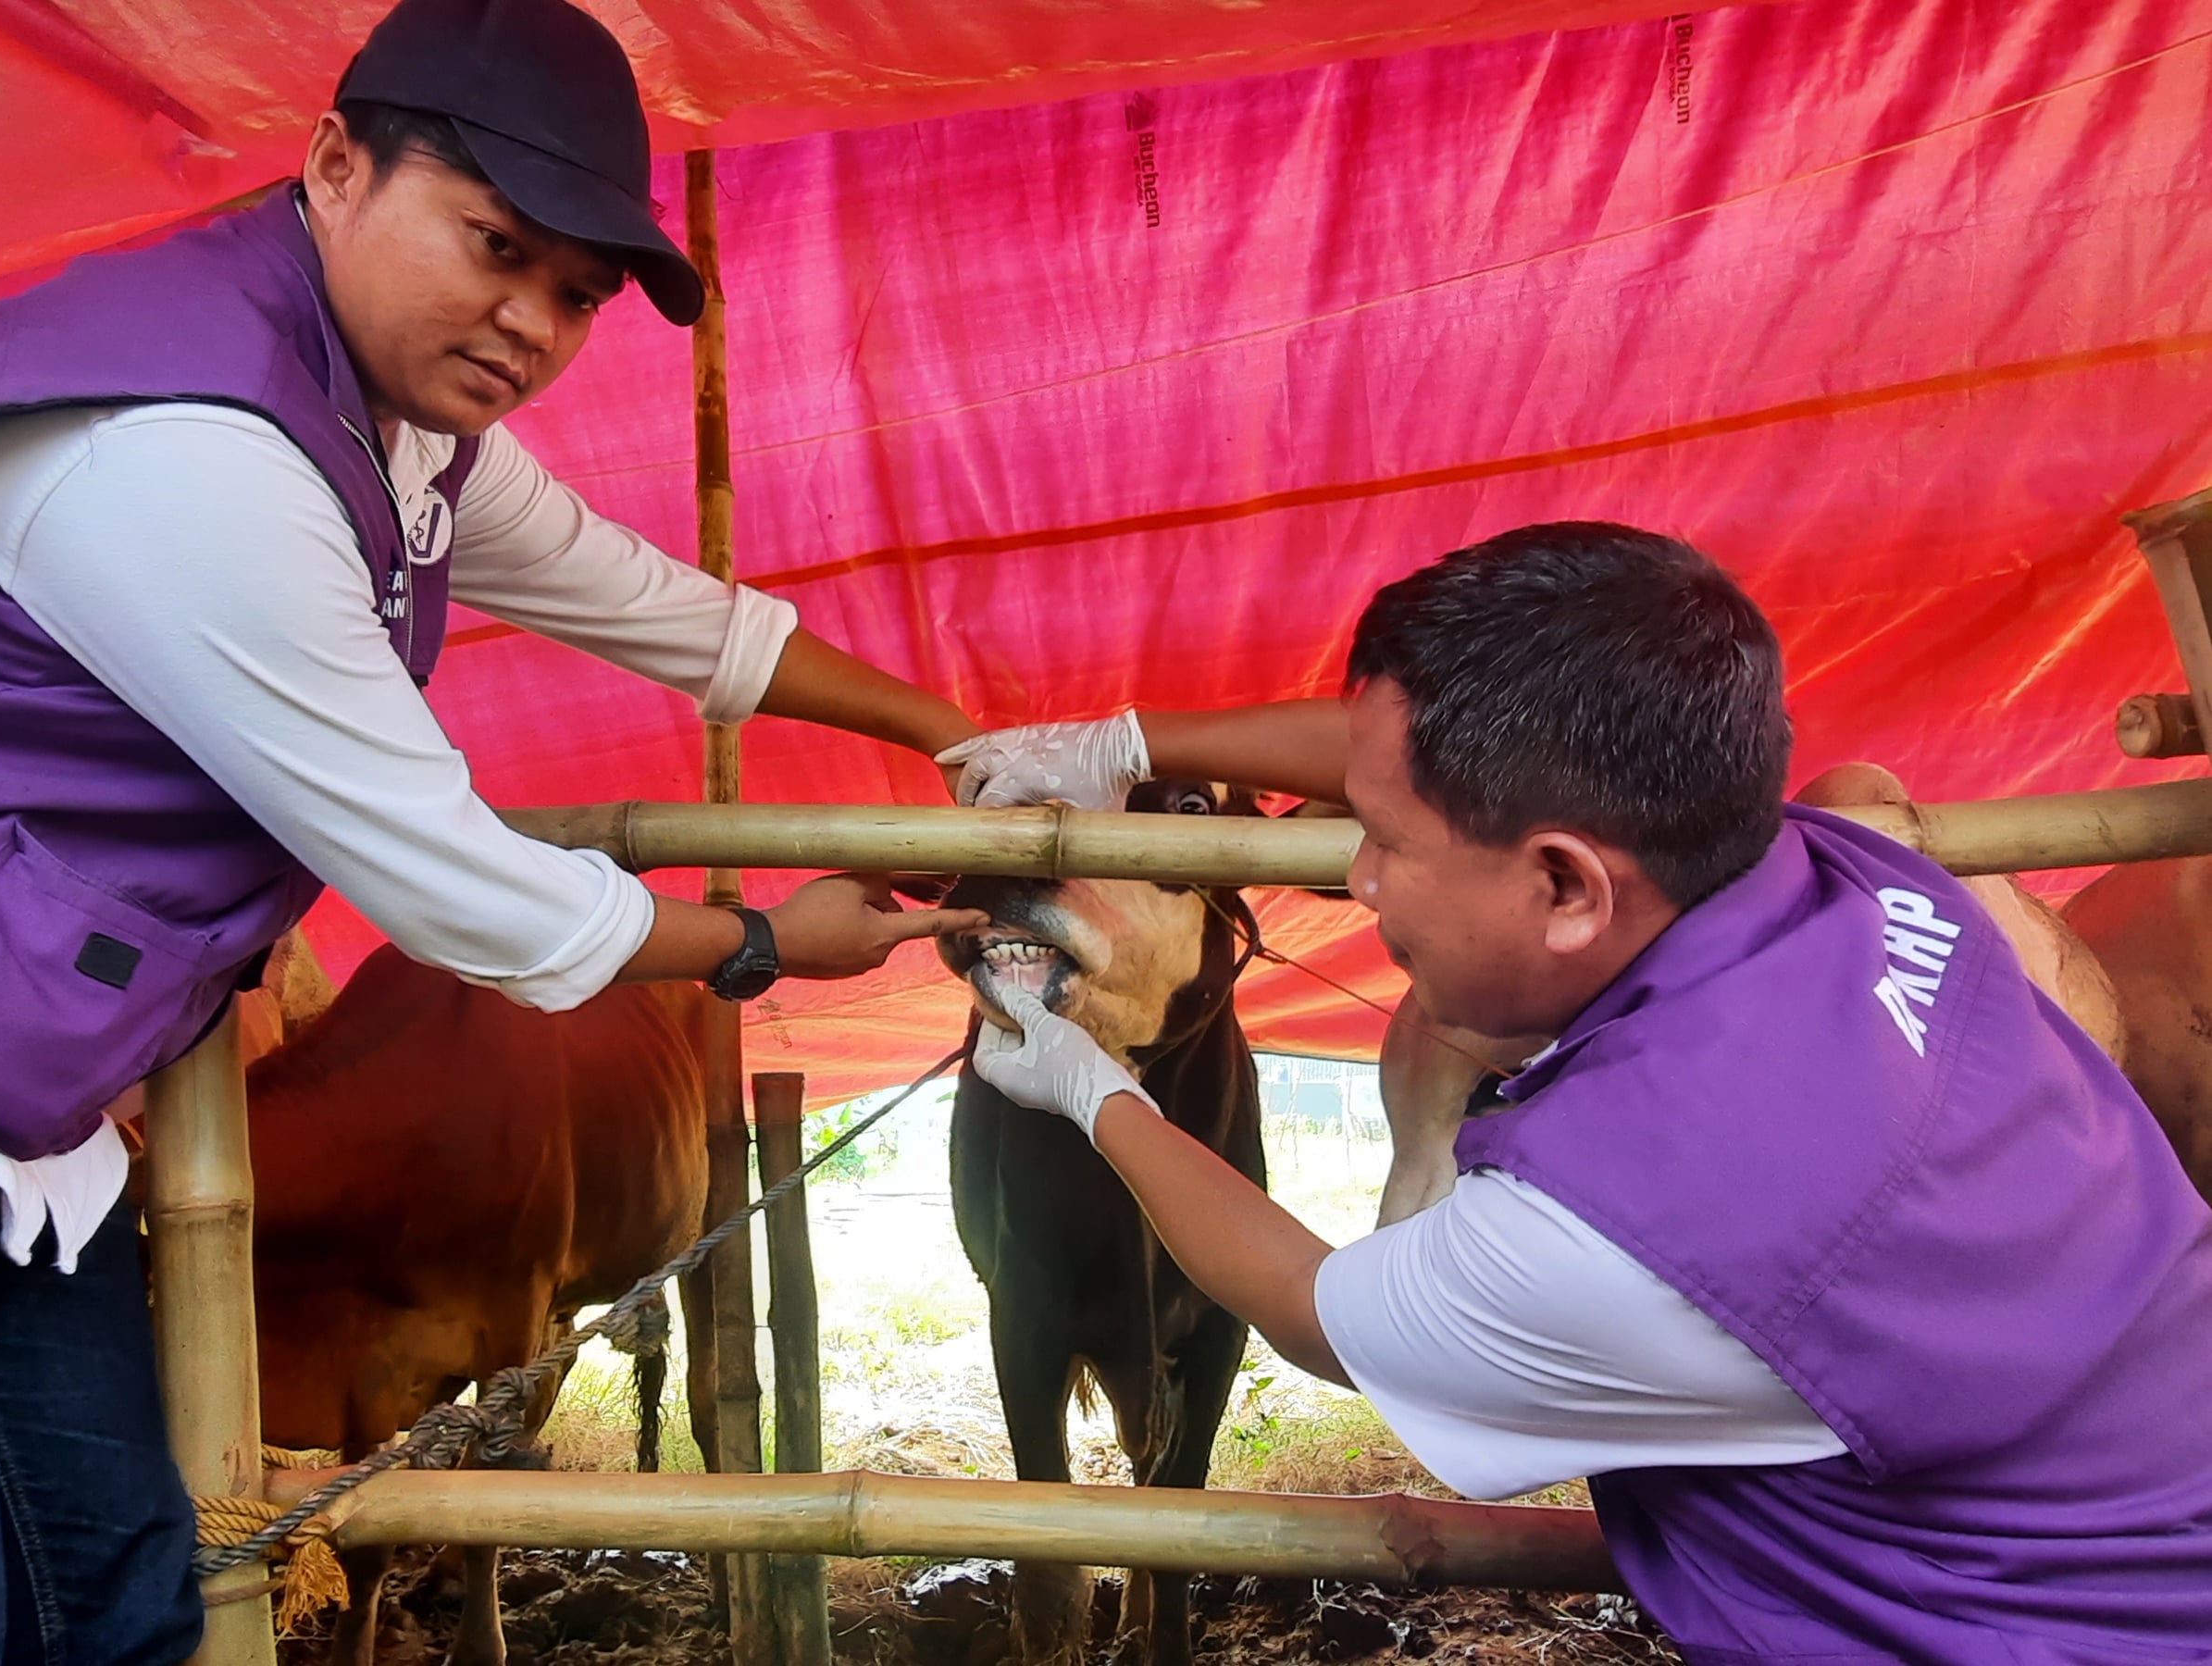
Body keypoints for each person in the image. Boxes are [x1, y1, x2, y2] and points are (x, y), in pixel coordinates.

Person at [0, 0, 990, 1657]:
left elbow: (669, 614)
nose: (528, 322)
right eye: (493, 246)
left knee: (109, 1598)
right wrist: (758, 941)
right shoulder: (180, 447)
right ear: (332, 166)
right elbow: (455, 881)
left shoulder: (407, 432)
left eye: (576, 295)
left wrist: (947, 727)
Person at [946, 522, 2212, 1663]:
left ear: (1564, 886)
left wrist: (1093, 1089)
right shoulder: (1858, 875)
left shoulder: (1634, 1227)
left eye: (1384, 842)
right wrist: (1131, 741)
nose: (1362, 883)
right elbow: (1404, 748)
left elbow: (1308, 1312)